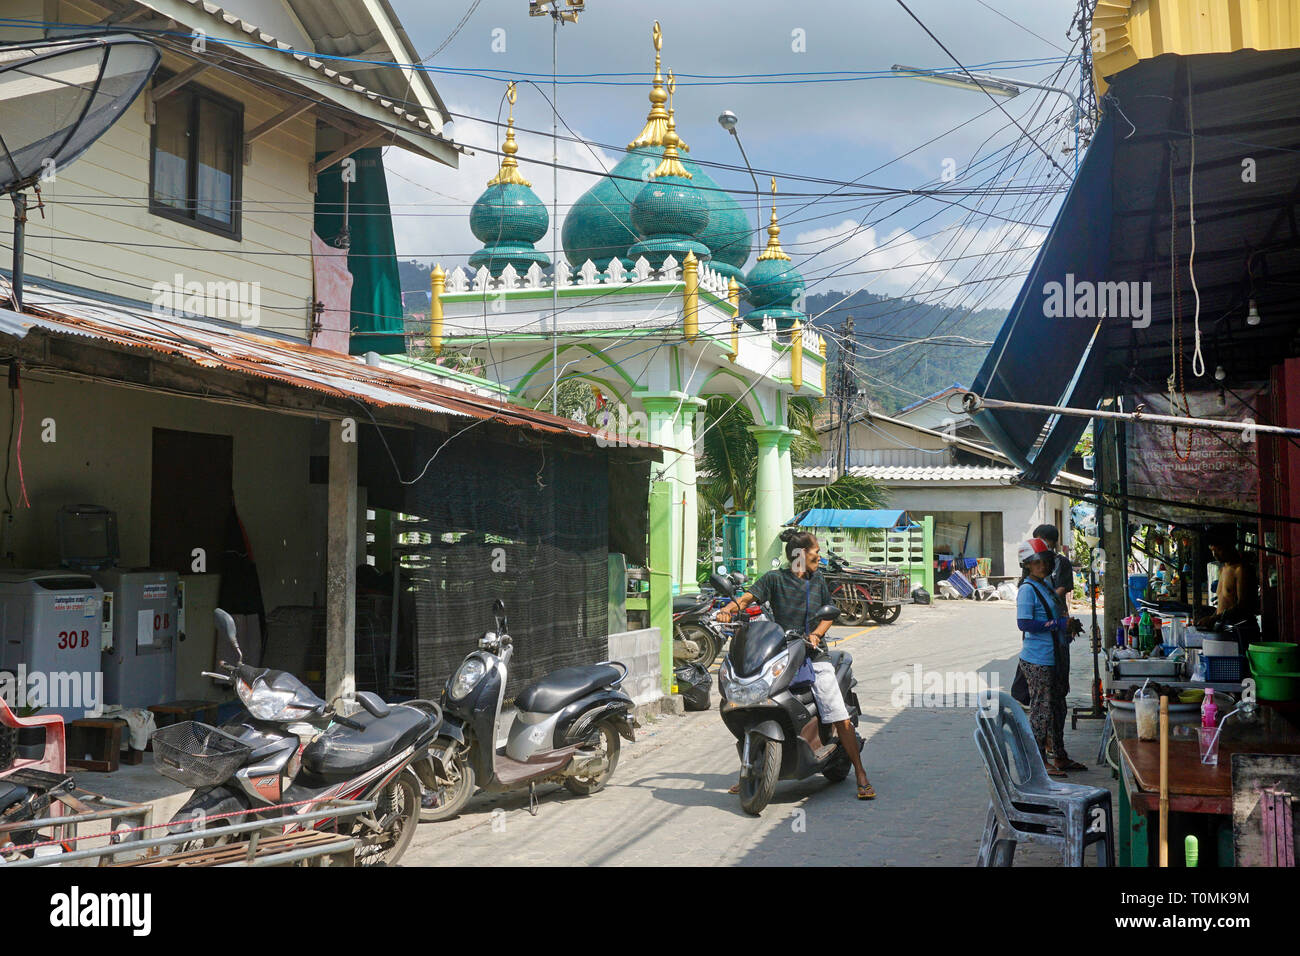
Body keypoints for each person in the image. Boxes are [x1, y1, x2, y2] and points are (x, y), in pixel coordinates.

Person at [715, 529, 875, 800]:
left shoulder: (818, 580)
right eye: (816, 552)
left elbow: (828, 614)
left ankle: (860, 773)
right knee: (751, 700)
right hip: (782, 653)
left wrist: (816, 635)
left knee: (835, 709)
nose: (819, 556)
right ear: (801, 554)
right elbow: (747, 599)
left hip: (813, 654)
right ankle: (750, 768)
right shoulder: (774, 580)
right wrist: (728, 610)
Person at [1016, 538, 1085, 776]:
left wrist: (1068, 625)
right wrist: (1057, 623)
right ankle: (1038, 759)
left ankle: (1059, 755)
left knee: (1058, 707)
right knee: (1041, 709)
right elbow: (1024, 623)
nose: (1042, 566)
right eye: (1037, 562)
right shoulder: (1027, 590)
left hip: (1055, 655)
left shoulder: (1045, 585)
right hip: (1039, 658)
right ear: (1027, 564)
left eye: (1044, 561)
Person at [1194, 526, 1260, 654]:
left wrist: (1214, 619)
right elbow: (1223, 603)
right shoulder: (1222, 569)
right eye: (1212, 550)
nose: (1215, 555)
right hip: (1225, 630)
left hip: (1241, 630)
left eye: (1218, 550)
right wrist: (1211, 618)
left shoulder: (1241, 569)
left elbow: (1243, 606)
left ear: (1229, 545)